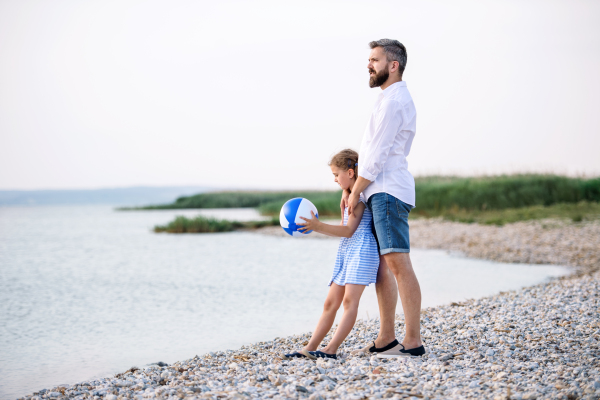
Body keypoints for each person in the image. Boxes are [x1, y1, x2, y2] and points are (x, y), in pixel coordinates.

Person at [345, 39, 425, 357]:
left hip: (389, 191)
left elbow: (376, 158)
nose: (369, 64)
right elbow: (371, 155)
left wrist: (354, 191)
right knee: (383, 268)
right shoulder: (386, 99)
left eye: (375, 59)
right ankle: (387, 338)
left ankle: (413, 341)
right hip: (379, 190)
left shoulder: (394, 101)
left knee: (397, 263)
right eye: (369, 59)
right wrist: (357, 189)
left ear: (393, 65)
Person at [281, 149, 380, 360]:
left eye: (336, 174)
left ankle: (331, 349)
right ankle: (310, 347)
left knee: (349, 303)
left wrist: (317, 226)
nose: (335, 179)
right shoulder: (349, 195)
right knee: (330, 303)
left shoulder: (360, 199)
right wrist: (345, 192)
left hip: (362, 251)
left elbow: (348, 230)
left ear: (350, 173)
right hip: (348, 250)